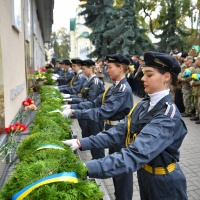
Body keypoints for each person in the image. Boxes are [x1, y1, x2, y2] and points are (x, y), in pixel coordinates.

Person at [63, 51, 188, 200]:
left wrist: (87, 168)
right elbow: (118, 132)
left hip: (165, 182)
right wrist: (80, 142)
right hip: (145, 174)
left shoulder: (167, 116)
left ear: (166, 77)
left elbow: (135, 154)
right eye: (144, 74)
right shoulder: (143, 106)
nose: (142, 78)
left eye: (149, 74)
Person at [62, 54, 134, 200]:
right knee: (116, 170)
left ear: (120, 68)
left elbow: (103, 111)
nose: (107, 70)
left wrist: (76, 112)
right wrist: (73, 109)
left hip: (120, 133)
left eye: (110, 67)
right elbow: (95, 103)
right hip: (112, 130)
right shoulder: (114, 87)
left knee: (121, 172)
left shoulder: (123, 89)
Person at [63, 59, 105, 159]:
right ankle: (95, 160)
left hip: (94, 116)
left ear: (91, 68)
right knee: (90, 138)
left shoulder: (95, 82)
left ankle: (98, 161)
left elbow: (91, 102)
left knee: (96, 142)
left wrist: (72, 107)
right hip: (88, 114)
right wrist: (70, 99)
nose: (83, 71)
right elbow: (83, 98)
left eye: (84, 69)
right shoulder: (89, 81)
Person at [190, 56, 200, 124]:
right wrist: (192, 81)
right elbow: (196, 78)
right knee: (196, 104)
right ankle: (197, 115)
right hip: (196, 90)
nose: (195, 61)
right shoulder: (196, 69)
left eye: (196, 60)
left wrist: (194, 83)